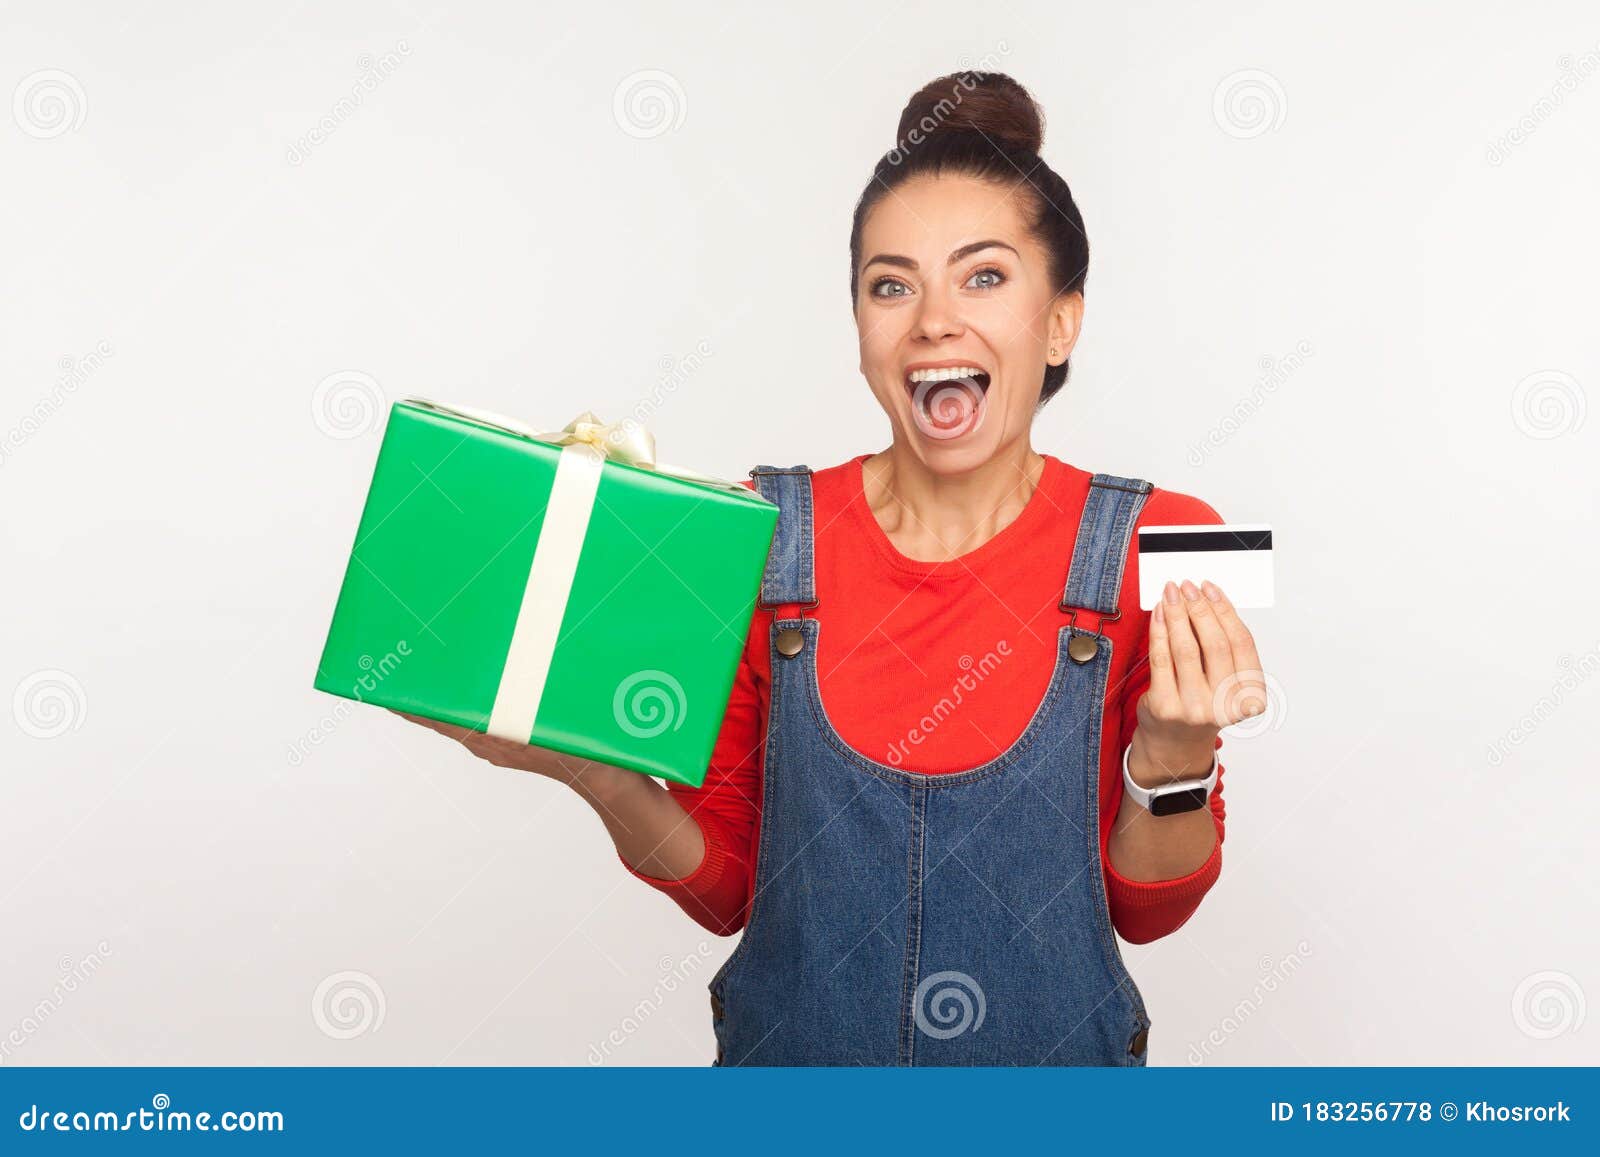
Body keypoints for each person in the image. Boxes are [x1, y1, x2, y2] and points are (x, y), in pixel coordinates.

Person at [399, 71, 1267, 1066]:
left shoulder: (1175, 537)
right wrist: (581, 762)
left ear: (1061, 319)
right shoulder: (755, 533)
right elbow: (727, 885)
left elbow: (1152, 912)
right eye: (890, 284)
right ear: (860, 328)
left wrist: (1170, 760)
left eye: (983, 276)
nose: (933, 319)